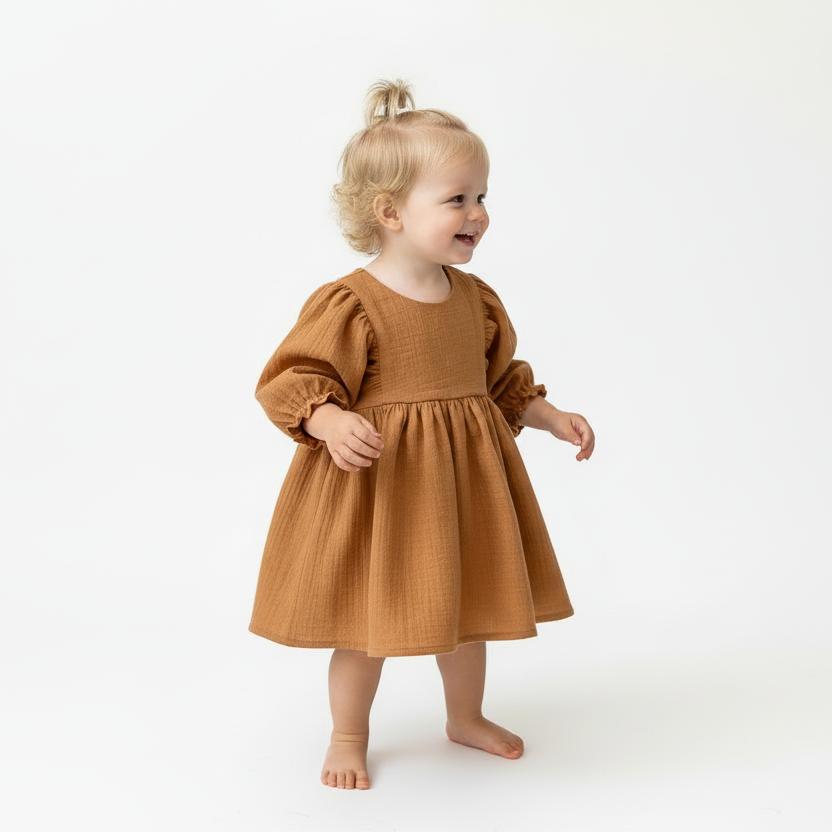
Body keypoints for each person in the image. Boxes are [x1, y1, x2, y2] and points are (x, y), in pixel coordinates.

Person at [250, 79, 595, 790]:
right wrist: (329, 419)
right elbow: (292, 379)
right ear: (390, 212)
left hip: (460, 490)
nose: (479, 213)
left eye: (482, 196)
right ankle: (348, 735)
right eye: (458, 199)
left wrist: (550, 416)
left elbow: (501, 381)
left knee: (468, 612)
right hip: (380, 492)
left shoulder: (475, 300)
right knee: (364, 625)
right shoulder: (352, 304)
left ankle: (465, 716)